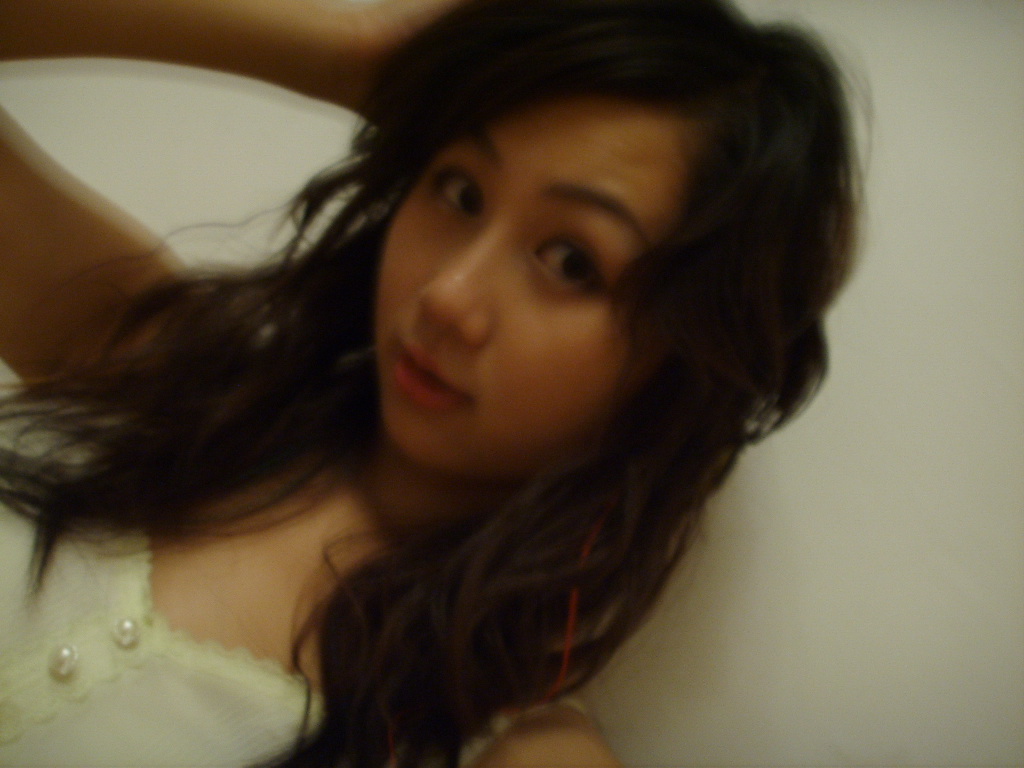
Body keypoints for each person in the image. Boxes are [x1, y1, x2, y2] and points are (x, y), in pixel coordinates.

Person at [0, 0, 858, 765]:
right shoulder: (169, 369)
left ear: (687, 358)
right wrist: (345, 51)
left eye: (570, 260)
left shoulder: (505, 745)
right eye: (460, 191)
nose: (448, 296)